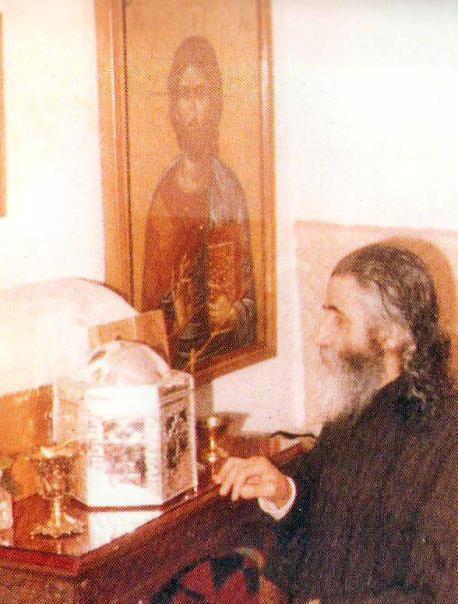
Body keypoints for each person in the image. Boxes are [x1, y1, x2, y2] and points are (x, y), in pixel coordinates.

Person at [215, 242, 457, 603]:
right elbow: (321, 519)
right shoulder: (351, 408)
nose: (321, 336)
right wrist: (282, 491)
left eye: (339, 318)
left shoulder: (447, 436)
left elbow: (437, 593)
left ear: (392, 335)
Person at [142, 36, 256, 371]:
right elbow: (151, 309)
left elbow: (249, 295)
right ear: (174, 108)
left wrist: (234, 314)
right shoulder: (164, 198)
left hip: (224, 357)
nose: (193, 110)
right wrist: (174, 316)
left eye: (200, 93)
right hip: (179, 363)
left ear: (215, 102)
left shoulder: (230, 191)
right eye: (184, 95)